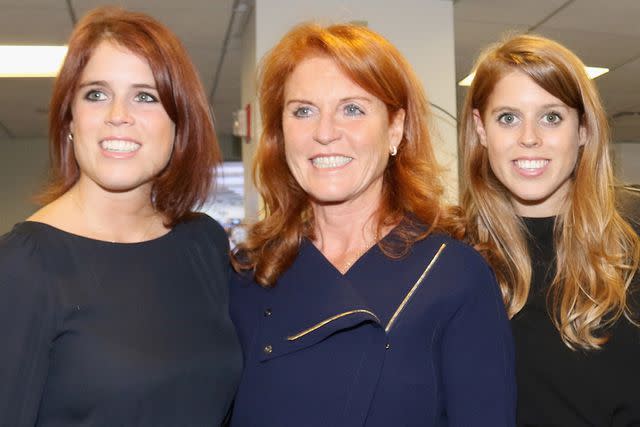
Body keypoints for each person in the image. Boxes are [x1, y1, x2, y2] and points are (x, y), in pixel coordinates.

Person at [229, 23, 515, 426]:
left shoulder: (454, 274)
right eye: (303, 111)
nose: (325, 133)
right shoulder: (250, 274)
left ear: (395, 129)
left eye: (352, 109)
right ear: (281, 132)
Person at [0, 7, 241, 426]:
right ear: (70, 119)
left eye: (145, 96)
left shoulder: (204, 243)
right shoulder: (23, 264)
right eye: (96, 94)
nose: (118, 116)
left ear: (178, 124)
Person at [458, 33, 640, 426]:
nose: (529, 138)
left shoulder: (634, 238)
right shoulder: (451, 255)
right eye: (508, 117)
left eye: (551, 117)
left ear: (584, 131)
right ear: (481, 130)